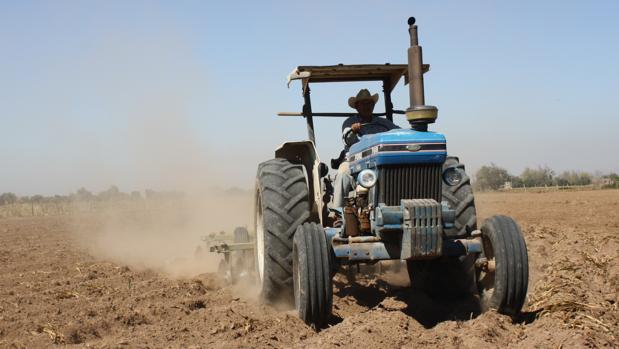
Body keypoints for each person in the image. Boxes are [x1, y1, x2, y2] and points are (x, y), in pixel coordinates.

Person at [332, 89, 399, 208]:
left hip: (381, 161)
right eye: (363, 104)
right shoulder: (350, 122)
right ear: (357, 107)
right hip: (355, 161)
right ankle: (337, 213)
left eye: (369, 103)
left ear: (373, 106)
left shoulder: (383, 123)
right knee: (342, 174)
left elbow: (398, 132)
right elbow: (347, 138)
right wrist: (352, 130)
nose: (367, 106)